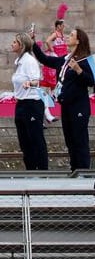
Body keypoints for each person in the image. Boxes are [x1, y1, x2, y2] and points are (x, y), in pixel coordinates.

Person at [32, 26, 94, 170]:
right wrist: (34, 44)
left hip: (79, 106)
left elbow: (90, 81)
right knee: (70, 140)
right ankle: (74, 169)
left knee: (80, 140)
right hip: (66, 105)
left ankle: (84, 171)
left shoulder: (84, 60)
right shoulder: (65, 60)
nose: (67, 37)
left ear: (78, 41)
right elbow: (45, 59)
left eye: (71, 35)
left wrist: (79, 70)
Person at [10, 32, 48, 170]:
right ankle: (30, 168)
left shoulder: (29, 61)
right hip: (21, 103)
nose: (12, 44)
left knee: (36, 138)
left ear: (22, 45)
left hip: (32, 103)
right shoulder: (19, 62)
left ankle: (43, 170)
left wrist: (29, 84)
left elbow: (36, 81)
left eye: (15, 42)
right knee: (24, 140)